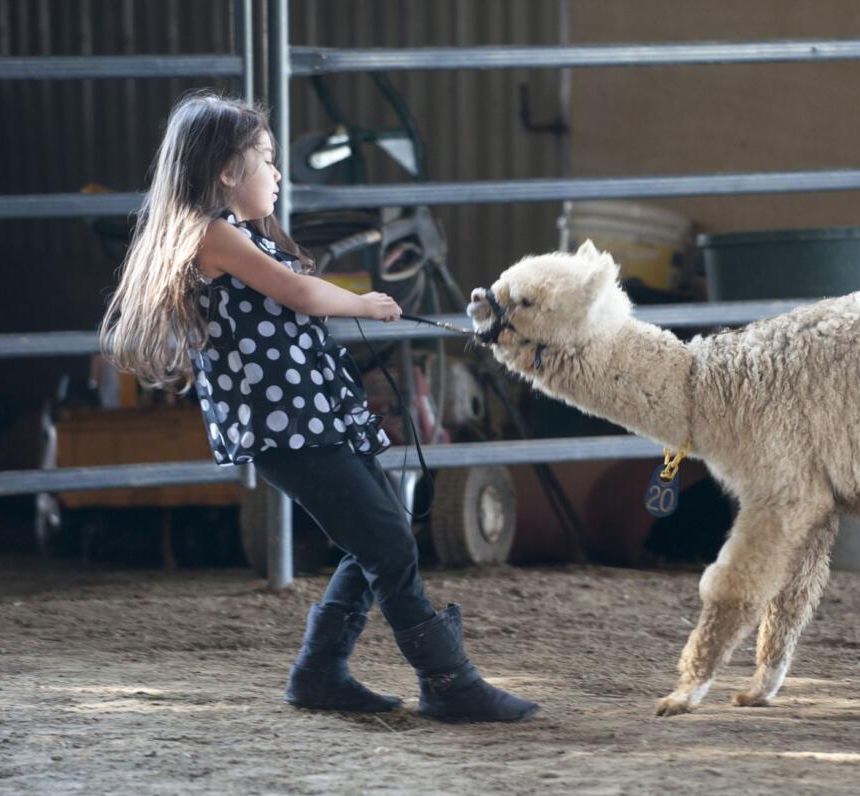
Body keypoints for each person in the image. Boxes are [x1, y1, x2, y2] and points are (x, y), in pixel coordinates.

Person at [100, 90, 537, 723]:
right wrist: (364, 303)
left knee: (382, 532)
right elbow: (297, 291)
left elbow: (293, 293)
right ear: (226, 169)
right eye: (266, 160)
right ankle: (447, 680)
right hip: (288, 426)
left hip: (310, 415)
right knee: (386, 540)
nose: (277, 175)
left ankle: (321, 672)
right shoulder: (212, 236)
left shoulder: (240, 233)